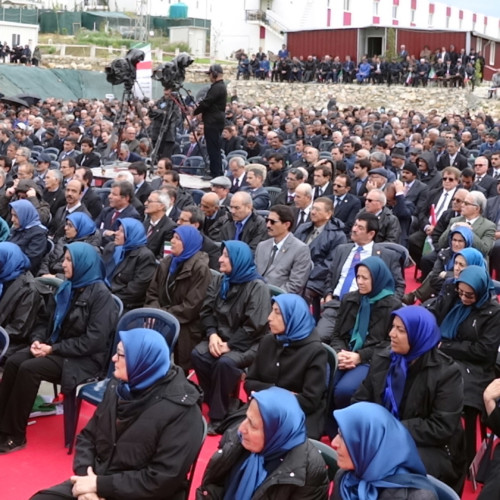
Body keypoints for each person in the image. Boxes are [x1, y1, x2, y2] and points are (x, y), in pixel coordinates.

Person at [31, 328, 204, 500]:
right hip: (98, 480)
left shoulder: (182, 410)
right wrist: (88, 480)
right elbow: (88, 436)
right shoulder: (119, 386)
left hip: (143, 494)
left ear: (141, 362)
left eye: (120, 355)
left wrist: (101, 486)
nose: (113, 358)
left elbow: (161, 479)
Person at [0, 242, 119, 454]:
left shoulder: (102, 297)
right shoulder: (66, 288)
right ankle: (3, 422)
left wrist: (52, 349)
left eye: (68, 260)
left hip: (83, 360)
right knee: (14, 361)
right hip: (58, 348)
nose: (62, 264)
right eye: (64, 259)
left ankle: (16, 435)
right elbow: (43, 321)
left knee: (29, 368)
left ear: (83, 264)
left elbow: (93, 341)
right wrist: (37, 340)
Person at [354, 306, 465, 491]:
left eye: (401, 330)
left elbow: (441, 427)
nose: (391, 334)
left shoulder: (446, 373)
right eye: (393, 327)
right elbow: (360, 399)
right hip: (382, 436)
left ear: (418, 336)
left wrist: (390, 431)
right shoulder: (384, 358)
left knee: (389, 468)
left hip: (429, 446)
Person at [191, 241, 270, 434]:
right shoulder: (220, 281)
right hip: (221, 337)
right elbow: (207, 311)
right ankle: (221, 401)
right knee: (198, 354)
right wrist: (212, 335)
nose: (220, 259)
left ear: (238, 260)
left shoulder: (257, 287)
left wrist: (229, 345)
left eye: (226, 256)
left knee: (225, 363)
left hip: (250, 342)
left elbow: (255, 326)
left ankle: (218, 417)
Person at [196, 386, 329, 499]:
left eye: (253, 425)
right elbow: (213, 488)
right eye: (246, 417)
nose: (241, 429)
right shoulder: (237, 440)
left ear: (276, 433)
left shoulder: (309, 473)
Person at [425, 265, 500, 465]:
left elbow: (483, 351)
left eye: (470, 295)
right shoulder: (453, 296)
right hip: (444, 356)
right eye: (461, 293)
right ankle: (432, 441)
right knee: (422, 381)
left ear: (482, 291)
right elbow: (434, 316)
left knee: (455, 392)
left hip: (476, 368)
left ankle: (461, 456)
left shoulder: (493, 312)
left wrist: (447, 346)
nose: (464, 299)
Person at [245, 294, 327, 438]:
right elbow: (249, 383)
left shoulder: (315, 352)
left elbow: (309, 401)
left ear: (293, 318)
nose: (269, 317)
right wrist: (281, 393)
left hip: (297, 417)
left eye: (277, 313)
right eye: (272, 311)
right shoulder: (268, 341)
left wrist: (265, 391)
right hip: (265, 410)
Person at [329, 257, 401, 412]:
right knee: (323, 382)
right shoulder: (349, 299)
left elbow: (389, 344)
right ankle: (327, 428)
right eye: (358, 277)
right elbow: (337, 334)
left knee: (345, 390)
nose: (360, 282)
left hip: (371, 359)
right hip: (345, 353)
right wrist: (339, 353)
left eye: (365, 278)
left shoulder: (392, 306)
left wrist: (360, 356)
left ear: (377, 279)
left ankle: (346, 428)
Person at [331, 402, 438, 500]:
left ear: (370, 445)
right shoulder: (344, 479)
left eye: (343, 437)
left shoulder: (418, 497)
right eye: (338, 432)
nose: (333, 443)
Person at [145, 225, 211, 373]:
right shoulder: (166, 262)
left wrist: (163, 315)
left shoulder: (200, 269)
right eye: (173, 237)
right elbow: (152, 293)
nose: (172, 241)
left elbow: (191, 307)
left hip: (186, 324)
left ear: (188, 243)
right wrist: (156, 312)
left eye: (178, 239)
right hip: (163, 316)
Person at [403, 226, 473, 305]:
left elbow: (468, 279)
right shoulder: (444, 253)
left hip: (460, 294)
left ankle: (415, 296)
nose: (456, 244)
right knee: (431, 274)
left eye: (460, 241)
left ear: (467, 242)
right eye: (454, 240)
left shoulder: (473, 258)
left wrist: (447, 274)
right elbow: (434, 279)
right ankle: (418, 297)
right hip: (440, 289)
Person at [103, 218, 157, 312]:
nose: (116, 233)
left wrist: (108, 299)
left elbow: (134, 291)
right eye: (117, 229)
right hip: (105, 296)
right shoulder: (112, 248)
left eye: (122, 231)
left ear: (132, 234)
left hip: (126, 305)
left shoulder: (145, 256)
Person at [0, 242, 42, 360]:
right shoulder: (3, 278)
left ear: (8, 262)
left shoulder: (29, 290)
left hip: (11, 341)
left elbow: (19, 329)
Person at [38, 212, 101, 279]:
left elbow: (81, 276)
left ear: (80, 228)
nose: (65, 228)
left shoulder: (90, 251)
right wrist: (44, 274)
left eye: (70, 226)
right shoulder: (62, 240)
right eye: (66, 224)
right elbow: (46, 260)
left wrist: (55, 278)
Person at [194, 64, 227, 177]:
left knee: (213, 149)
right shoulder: (219, 86)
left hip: (213, 122)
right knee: (213, 148)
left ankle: (215, 173)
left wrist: (195, 112)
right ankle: (216, 172)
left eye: (210, 74)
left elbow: (207, 102)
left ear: (215, 74)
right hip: (214, 120)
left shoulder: (217, 87)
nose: (209, 77)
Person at [8, 199, 48, 273]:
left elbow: (30, 261)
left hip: (21, 273)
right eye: (12, 215)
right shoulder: (17, 228)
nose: (12, 219)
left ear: (25, 215)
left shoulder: (39, 234)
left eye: (16, 216)